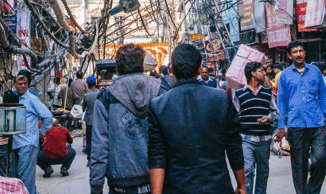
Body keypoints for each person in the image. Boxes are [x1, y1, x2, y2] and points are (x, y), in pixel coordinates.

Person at [148, 43, 246, 194]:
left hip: (177, 187)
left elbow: (157, 156)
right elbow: (234, 147)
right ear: (200, 69)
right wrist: (241, 186)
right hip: (217, 186)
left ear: (171, 70)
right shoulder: (221, 99)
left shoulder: (158, 105)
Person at [90, 43, 161, 194]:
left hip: (120, 183)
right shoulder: (160, 91)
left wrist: (96, 186)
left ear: (117, 67)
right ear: (142, 65)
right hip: (156, 181)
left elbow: (99, 146)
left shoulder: (106, 97)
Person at [275, 41, 326, 194]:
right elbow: (281, 102)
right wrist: (281, 126)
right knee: (299, 164)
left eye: (301, 51)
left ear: (305, 53)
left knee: (319, 159)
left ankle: (313, 190)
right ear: (289, 55)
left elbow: (324, 97)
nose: (298, 54)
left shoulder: (315, 71)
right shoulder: (285, 75)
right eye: (295, 52)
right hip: (296, 125)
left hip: (317, 123)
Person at [233, 61, 277, 194]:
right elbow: (235, 116)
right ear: (253, 74)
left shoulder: (268, 93)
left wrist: (268, 118)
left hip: (265, 139)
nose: (265, 73)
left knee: (263, 171)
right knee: (248, 170)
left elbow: (276, 112)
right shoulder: (239, 94)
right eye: (261, 70)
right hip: (246, 139)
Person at [13, 69, 52, 194]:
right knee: (16, 178)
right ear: (14, 84)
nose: (23, 86)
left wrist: (42, 132)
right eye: (20, 84)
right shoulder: (12, 97)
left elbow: (48, 116)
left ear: (28, 84)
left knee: (25, 179)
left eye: (25, 83)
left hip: (28, 143)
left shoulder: (32, 98)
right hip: (14, 143)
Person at [82, 75, 100, 162]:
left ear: (88, 85)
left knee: (89, 141)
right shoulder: (100, 93)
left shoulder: (86, 96)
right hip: (99, 121)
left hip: (89, 121)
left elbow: (83, 108)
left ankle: (90, 158)